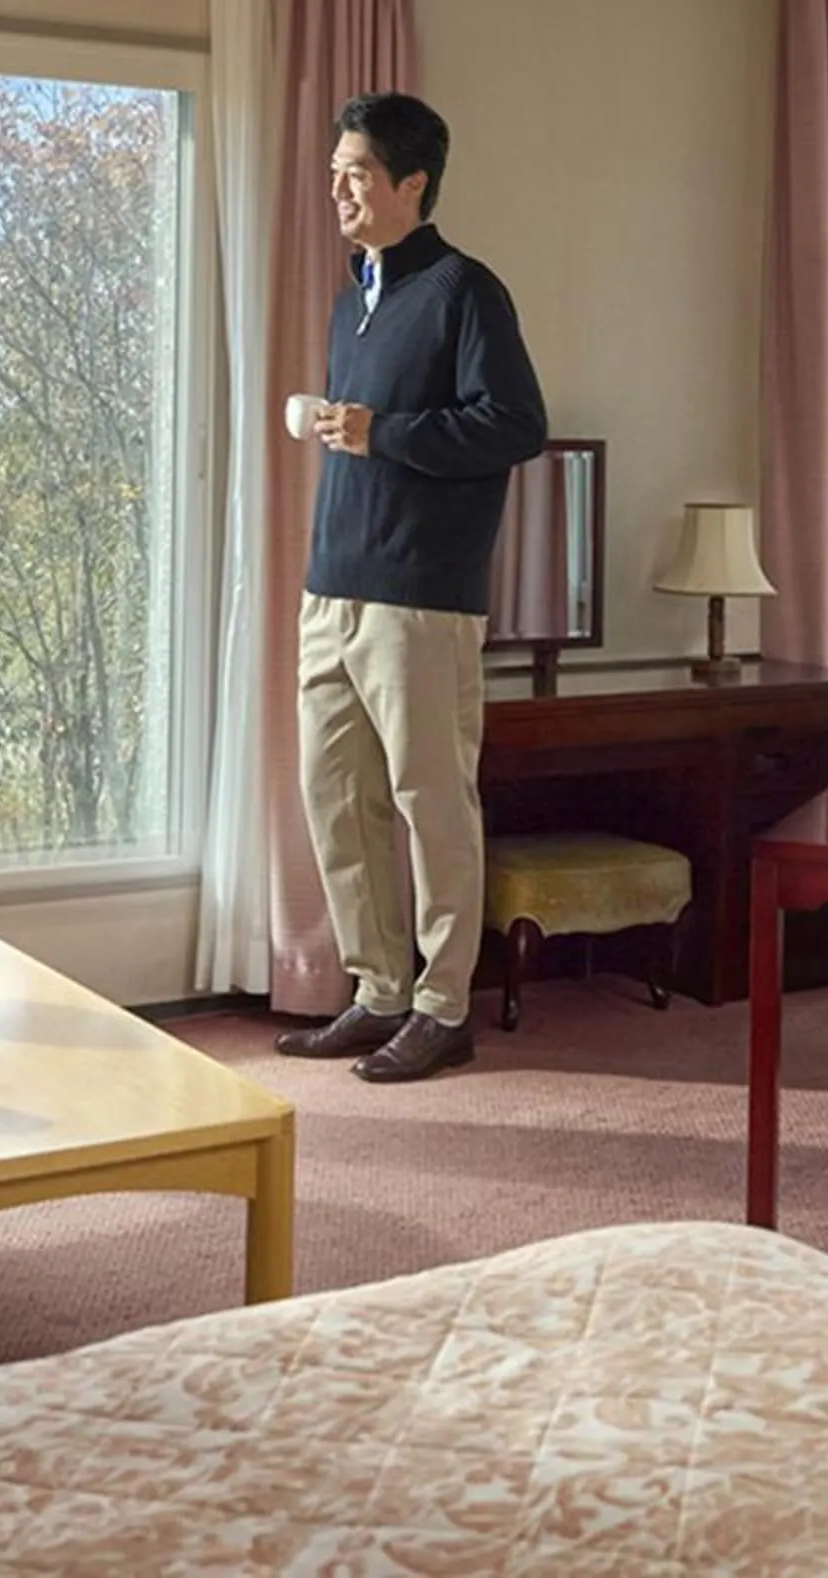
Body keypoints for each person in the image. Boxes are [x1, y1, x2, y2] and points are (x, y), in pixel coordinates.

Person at [277, 94, 546, 1083]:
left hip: (422, 597)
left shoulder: (465, 291)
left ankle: (443, 1006)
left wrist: (380, 431)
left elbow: (514, 424)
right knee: (335, 799)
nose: (339, 190)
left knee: (431, 803)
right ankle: (380, 989)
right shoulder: (354, 296)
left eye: (356, 173)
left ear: (413, 184)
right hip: (332, 589)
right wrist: (347, 429)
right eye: (336, 172)